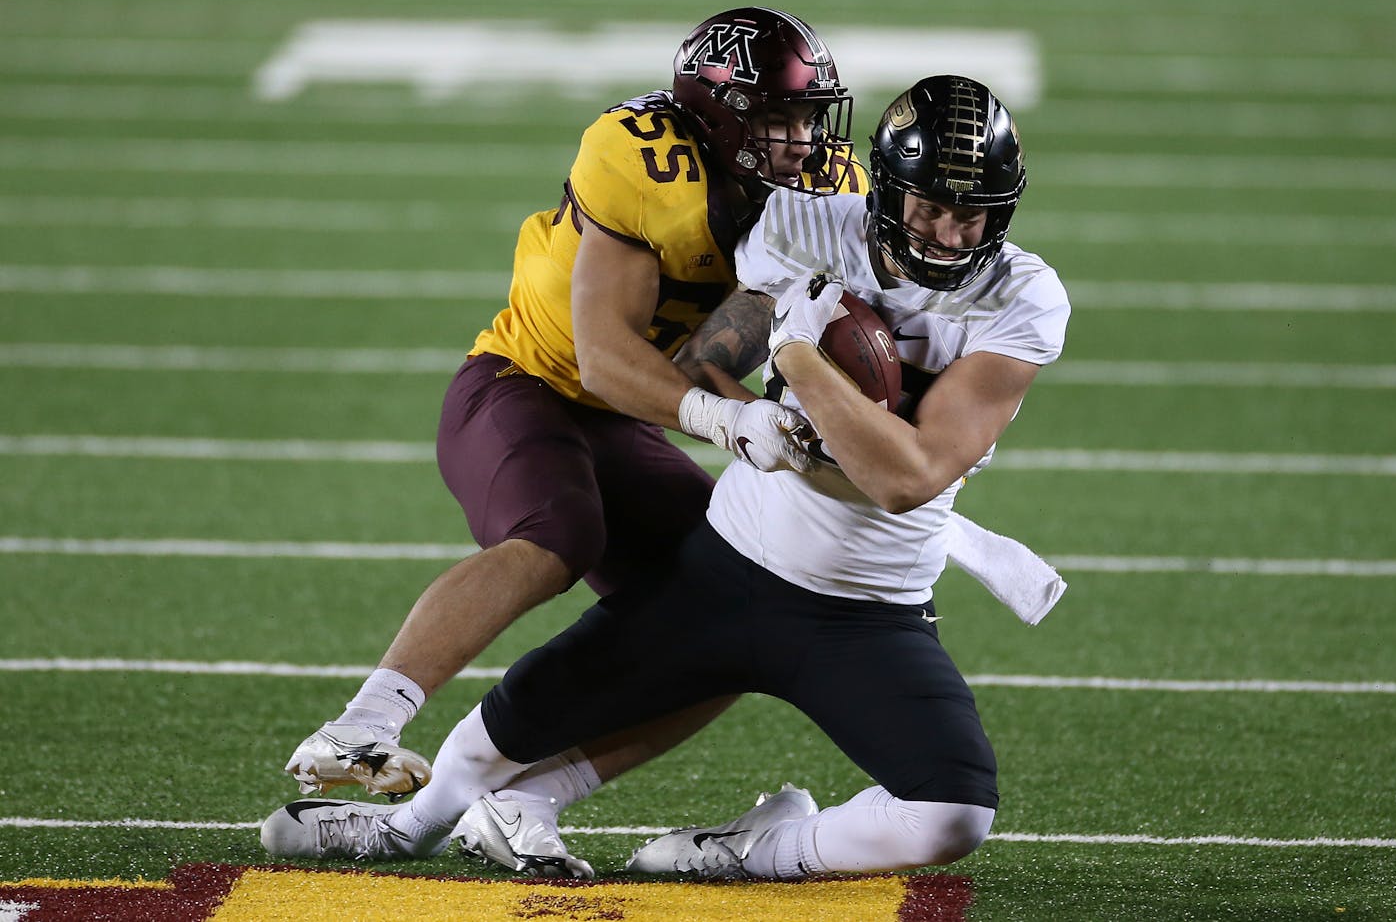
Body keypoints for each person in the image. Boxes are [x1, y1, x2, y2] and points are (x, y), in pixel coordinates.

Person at [262, 74, 1069, 880]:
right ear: (888, 189)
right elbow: (704, 362)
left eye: (975, 213)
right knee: (516, 714)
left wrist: (796, 356)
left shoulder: (1024, 296)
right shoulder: (808, 223)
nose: (950, 234)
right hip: (731, 564)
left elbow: (909, 476)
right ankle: (405, 826)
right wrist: (751, 416)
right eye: (931, 205)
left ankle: (752, 849)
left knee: (954, 810)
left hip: (871, 606)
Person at [280, 7, 865, 877]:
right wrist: (731, 422)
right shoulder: (642, 159)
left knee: (743, 606)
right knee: (561, 531)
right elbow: (603, 360)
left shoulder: (824, 187)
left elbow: (716, 353)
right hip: (523, 384)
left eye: (809, 117)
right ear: (714, 115)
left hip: (628, 416)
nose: (800, 139)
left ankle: (526, 798)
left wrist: (784, 412)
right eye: (776, 119)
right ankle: (364, 722)